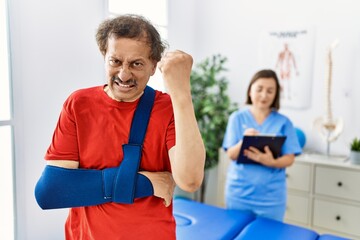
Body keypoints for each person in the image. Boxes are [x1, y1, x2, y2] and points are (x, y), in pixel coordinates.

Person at [34, 14, 205, 239]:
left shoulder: (168, 108)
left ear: (154, 66)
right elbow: (52, 191)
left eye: (136, 64)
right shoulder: (78, 104)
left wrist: (181, 92)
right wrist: (145, 183)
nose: (124, 74)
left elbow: (190, 179)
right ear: (104, 56)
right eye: (115, 61)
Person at [222, 69, 301, 221]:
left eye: (270, 91)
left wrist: (272, 162)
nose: (264, 95)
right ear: (250, 91)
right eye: (259, 89)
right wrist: (243, 141)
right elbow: (231, 154)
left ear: (276, 95)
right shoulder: (236, 118)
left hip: (271, 199)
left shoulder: (284, 122)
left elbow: (290, 158)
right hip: (239, 194)